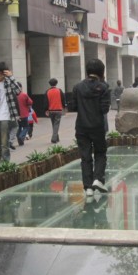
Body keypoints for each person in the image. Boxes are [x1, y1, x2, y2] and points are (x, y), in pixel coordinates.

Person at [71, 58, 110, 197]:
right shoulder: (104, 87)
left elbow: (73, 107)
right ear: (101, 71)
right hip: (97, 126)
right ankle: (98, 179)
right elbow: (105, 109)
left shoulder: (77, 87)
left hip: (81, 127)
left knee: (85, 157)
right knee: (100, 153)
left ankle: (88, 188)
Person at [0, 62, 21, 162]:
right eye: (0, 73)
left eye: (4, 74)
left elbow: (18, 91)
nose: (2, 76)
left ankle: (5, 163)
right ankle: (3, 159)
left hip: (5, 116)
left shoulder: (8, 82)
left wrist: (11, 77)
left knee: (4, 143)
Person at [46, 78, 67, 143]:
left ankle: (56, 137)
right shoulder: (59, 91)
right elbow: (63, 99)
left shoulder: (47, 91)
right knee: (56, 124)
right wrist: (64, 107)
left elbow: (45, 102)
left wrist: (46, 110)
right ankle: (54, 139)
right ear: (56, 83)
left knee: (54, 124)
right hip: (58, 110)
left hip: (51, 110)